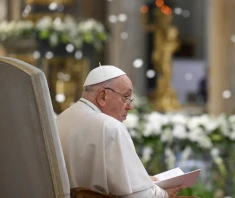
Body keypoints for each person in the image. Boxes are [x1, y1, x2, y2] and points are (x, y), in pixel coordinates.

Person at [56, 65, 182, 198]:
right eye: (126, 97)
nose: (130, 106)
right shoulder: (110, 126)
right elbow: (137, 195)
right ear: (103, 96)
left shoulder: (60, 119)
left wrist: (142, 180)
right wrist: (164, 194)